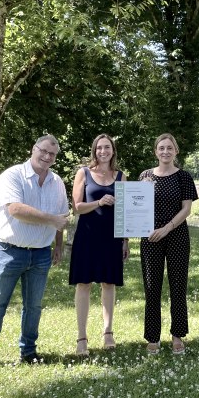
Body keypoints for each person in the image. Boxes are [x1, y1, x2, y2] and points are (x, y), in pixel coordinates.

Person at [0, 135, 69, 377]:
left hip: (40, 254)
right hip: (9, 251)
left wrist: (58, 245)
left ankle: (28, 352)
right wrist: (51, 220)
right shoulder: (13, 175)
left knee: (34, 306)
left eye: (53, 154)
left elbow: (62, 216)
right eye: (44, 151)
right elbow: (15, 210)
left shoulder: (57, 182)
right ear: (33, 148)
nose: (47, 157)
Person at [69, 134, 129, 356]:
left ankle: (108, 333)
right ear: (94, 150)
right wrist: (99, 202)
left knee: (109, 284)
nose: (103, 151)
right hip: (87, 235)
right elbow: (77, 207)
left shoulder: (121, 177)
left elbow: (124, 212)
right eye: (99, 148)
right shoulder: (83, 173)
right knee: (83, 284)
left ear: (113, 151)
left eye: (107, 147)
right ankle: (82, 337)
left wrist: (125, 241)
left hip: (111, 238)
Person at [139, 133, 198, 355]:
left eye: (169, 148)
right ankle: (152, 337)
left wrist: (167, 228)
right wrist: (142, 188)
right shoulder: (145, 176)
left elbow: (187, 209)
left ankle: (177, 335)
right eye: (161, 148)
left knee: (178, 286)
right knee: (152, 287)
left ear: (176, 151)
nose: (165, 151)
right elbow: (137, 207)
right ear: (156, 151)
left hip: (176, 236)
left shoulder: (184, 177)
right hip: (150, 238)